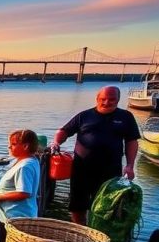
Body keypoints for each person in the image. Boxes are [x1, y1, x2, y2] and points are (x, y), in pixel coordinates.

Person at [52, 86, 139, 225]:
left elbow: (132, 141)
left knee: (106, 205)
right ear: (97, 99)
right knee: (78, 204)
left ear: (118, 100)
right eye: (103, 99)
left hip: (110, 169)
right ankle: (79, 232)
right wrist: (56, 142)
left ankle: (99, 237)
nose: (106, 102)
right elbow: (64, 131)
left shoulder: (125, 117)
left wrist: (130, 165)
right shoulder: (84, 116)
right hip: (82, 168)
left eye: (112, 99)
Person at [0, 130, 41, 242]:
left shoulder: (25, 166)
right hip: (11, 213)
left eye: (13, 144)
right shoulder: (29, 161)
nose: (9, 147)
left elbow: (24, 192)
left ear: (25, 146)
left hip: (16, 214)